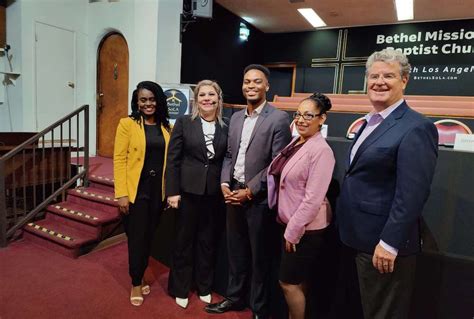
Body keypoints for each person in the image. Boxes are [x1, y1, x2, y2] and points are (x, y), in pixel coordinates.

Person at [336, 48, 438, 319]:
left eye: (388, 76)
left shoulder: (416, 127)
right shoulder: (369, 122)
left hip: (383, 245)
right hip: (355, 238)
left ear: (404, 80)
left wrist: (390, 243)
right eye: (374, 76)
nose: (379, 82)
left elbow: (412, 194)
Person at [205, 64, 292, 319]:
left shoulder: (278, 118)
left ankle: (259, 309)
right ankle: (234, 298)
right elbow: (230, 155)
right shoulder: (236, 118)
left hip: (259, 201)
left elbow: (277, 164)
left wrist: (251, 191)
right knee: (236, 252)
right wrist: (224, 183)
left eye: (257, 82)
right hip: (232, 195)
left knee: (259, 258)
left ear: (267, 86)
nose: (250, 86)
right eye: (247, 82)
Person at [267, 93, 335, 319]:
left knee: (288, 283)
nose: (302, 120)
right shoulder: (297, 141)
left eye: (309, 115)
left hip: (304, 229)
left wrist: (293, 231)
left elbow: (313, 199)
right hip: (288, 222)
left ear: (322, 118)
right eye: (298, 114)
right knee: (298, 280)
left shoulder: (322, 151)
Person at [166, 80, 228, 308]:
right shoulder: (184, 123)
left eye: (212, 94)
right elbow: (172, 159)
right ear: (196, 99)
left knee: (207, 242)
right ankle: (180, 288)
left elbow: (226, 160)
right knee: (183, 242)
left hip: (213, 194)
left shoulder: (226, 126)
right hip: (187, 192)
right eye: (202, 94)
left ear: (218, 99)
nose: (207, 98)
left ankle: (204, 285)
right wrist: (172, 191)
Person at [113, 81, 171, 307]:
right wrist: (122, 194)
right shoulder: (127, 124)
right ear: (137, 102)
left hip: (159, 191)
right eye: (143, 99)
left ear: (158, 100)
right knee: (137, 238)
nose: (148, 103)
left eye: (152, 99)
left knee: (150, 236)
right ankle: (136, 281)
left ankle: (142, 272)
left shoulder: (166, 127)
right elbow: (119, 159)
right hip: (137, 190)